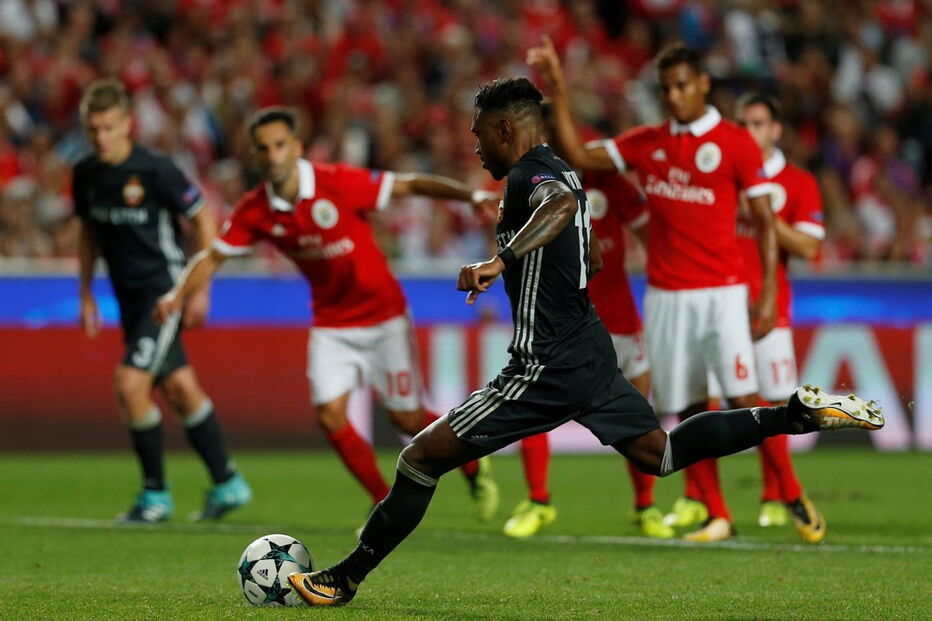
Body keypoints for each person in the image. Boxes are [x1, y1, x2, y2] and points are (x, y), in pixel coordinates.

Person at [285, 77, 883, 607]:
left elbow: (562, 206)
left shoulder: (533, 177)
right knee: (661, 453)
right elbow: (590, 250)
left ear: (503, 129)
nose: (474, 147)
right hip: (589, 349)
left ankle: (345, 578)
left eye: (478, 135)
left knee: (419, 459)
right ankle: (793, 414)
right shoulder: (565, 164)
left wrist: (501, 260)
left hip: (543, 363)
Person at [155, 107, 500, 522]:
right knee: (329, 416)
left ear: (296, 147)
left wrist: (471, 194)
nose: (273, 154)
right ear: (256, 156)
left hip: (383, 315)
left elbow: (409, 185)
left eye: (281, 144)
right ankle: (382, 500)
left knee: (406, 418)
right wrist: (178, 294)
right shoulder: (255, 210)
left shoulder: (336, 182)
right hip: (332, 322)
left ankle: (474, 464)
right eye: (264, 149)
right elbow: (212, 258)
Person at [529, 38, 795, 541]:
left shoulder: (735, 141)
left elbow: (764, 221)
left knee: (744, 395)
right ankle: (714, 510)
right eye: (666, 88)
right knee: (687, 409)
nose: (673, 96)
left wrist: (765, 297)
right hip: (667, 296)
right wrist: (559, 89)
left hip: (721, 292)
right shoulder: (646, 141)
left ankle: (791, 493)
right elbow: (581, 151)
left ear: (702, 85)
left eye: (681, 86)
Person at [74, 79, 251, 523]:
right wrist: (85, 292)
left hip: (164, 293)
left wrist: (200, 288)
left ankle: (155, 496)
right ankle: (228, 482)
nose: (101, 138)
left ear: (127, 123)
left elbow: (203, 218)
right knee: (178, 387)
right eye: (93, 129)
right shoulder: (85, 174)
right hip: (128, 300)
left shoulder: (155, 170)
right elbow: (88, 233)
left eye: (109, 128)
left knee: (130, 385)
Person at [504, 170, 673, 540]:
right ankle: (537, 501)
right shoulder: (532, 187)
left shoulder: (613, 185)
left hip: (623, 320)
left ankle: (646, 505)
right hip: (564, 324)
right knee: (532, 407)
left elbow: (653, 239)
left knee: (639, 414)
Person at [735, 92, 827, 542]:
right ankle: (704, 502)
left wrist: (766, 216)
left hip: (773, 308)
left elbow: (810, 247)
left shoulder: (798, 181)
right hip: (722, 305)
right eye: (743, 124)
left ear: (775, 130)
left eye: (757, 123)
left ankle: (778, 494)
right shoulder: (725, 175)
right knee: (716, 401)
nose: (749, 132)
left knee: (775, 404)